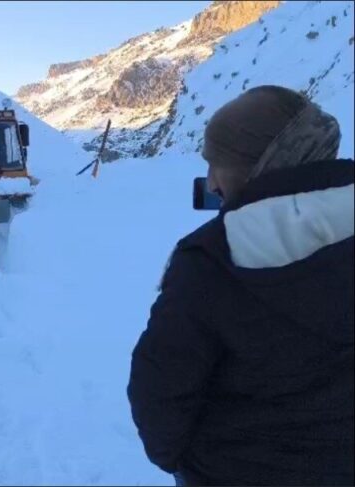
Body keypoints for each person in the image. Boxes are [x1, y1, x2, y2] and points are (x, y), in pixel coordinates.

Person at [128, 85, 354, 486]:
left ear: (258, 166)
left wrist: (187, 462)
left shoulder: (211, 259)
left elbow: (160, 391)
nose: (212, 182)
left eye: (217, 164)